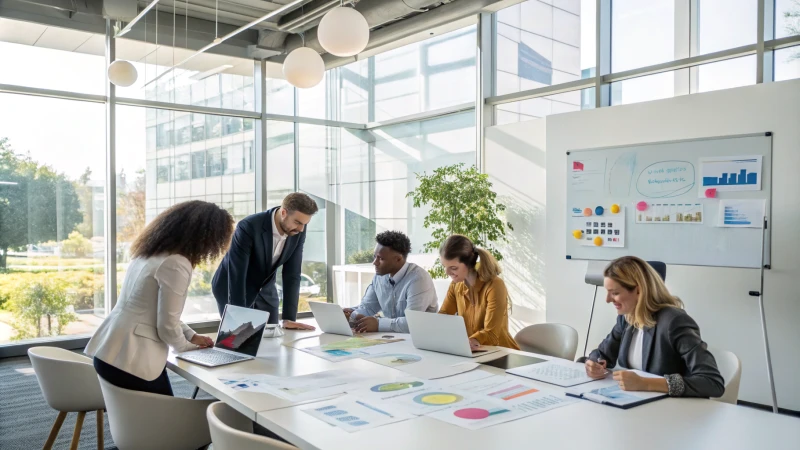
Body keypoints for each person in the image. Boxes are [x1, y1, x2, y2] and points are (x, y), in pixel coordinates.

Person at [85, 201, 235, 396]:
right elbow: (167, 325)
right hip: (133, 361)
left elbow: (156, 311)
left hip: (110, 352)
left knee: (143, 412)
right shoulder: (176, 263)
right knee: (172, 414)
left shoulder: (148, 254)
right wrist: (187, 348)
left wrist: (191, 335)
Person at [585, 256, 724, 398]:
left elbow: (712, 382)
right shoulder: (626, 318)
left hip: (674, 407)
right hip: (637, 401)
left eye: (615, 293)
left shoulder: (675, 321)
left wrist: (645, 383)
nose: (607, 300)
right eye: (607, 292)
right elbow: (602, 354)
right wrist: (594, 364)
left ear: (639, 291)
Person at [211, 193, 319, 330]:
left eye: (304, 224)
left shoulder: (298, 229)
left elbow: (292, 274)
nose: (301, 229)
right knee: (241, 337)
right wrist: (239, 318)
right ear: (284, 213)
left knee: (273, 337)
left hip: (266, 290)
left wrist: (289, 318)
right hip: (233, 287)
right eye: (297, 222)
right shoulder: (249, 226)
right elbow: (237, 274)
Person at [344, 231, 438, 333]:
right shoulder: (379, 277)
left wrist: (378, 324)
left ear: (398, 259)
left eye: (381, 258)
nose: (375, 262)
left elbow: (412, 323)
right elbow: (367, 308)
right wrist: (351, 316)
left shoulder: (419, 280)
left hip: (421, 338)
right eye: (375, 257)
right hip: (392, 339)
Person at [437, 235, 520, 350]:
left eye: (454, 268)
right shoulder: (455, 285)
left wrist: (469, 341)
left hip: (501, 352)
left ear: (468, 263)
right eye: (444, 266)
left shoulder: (494, 285)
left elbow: (491, 334)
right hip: (474, 352)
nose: (447, 272)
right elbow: (444, 317)